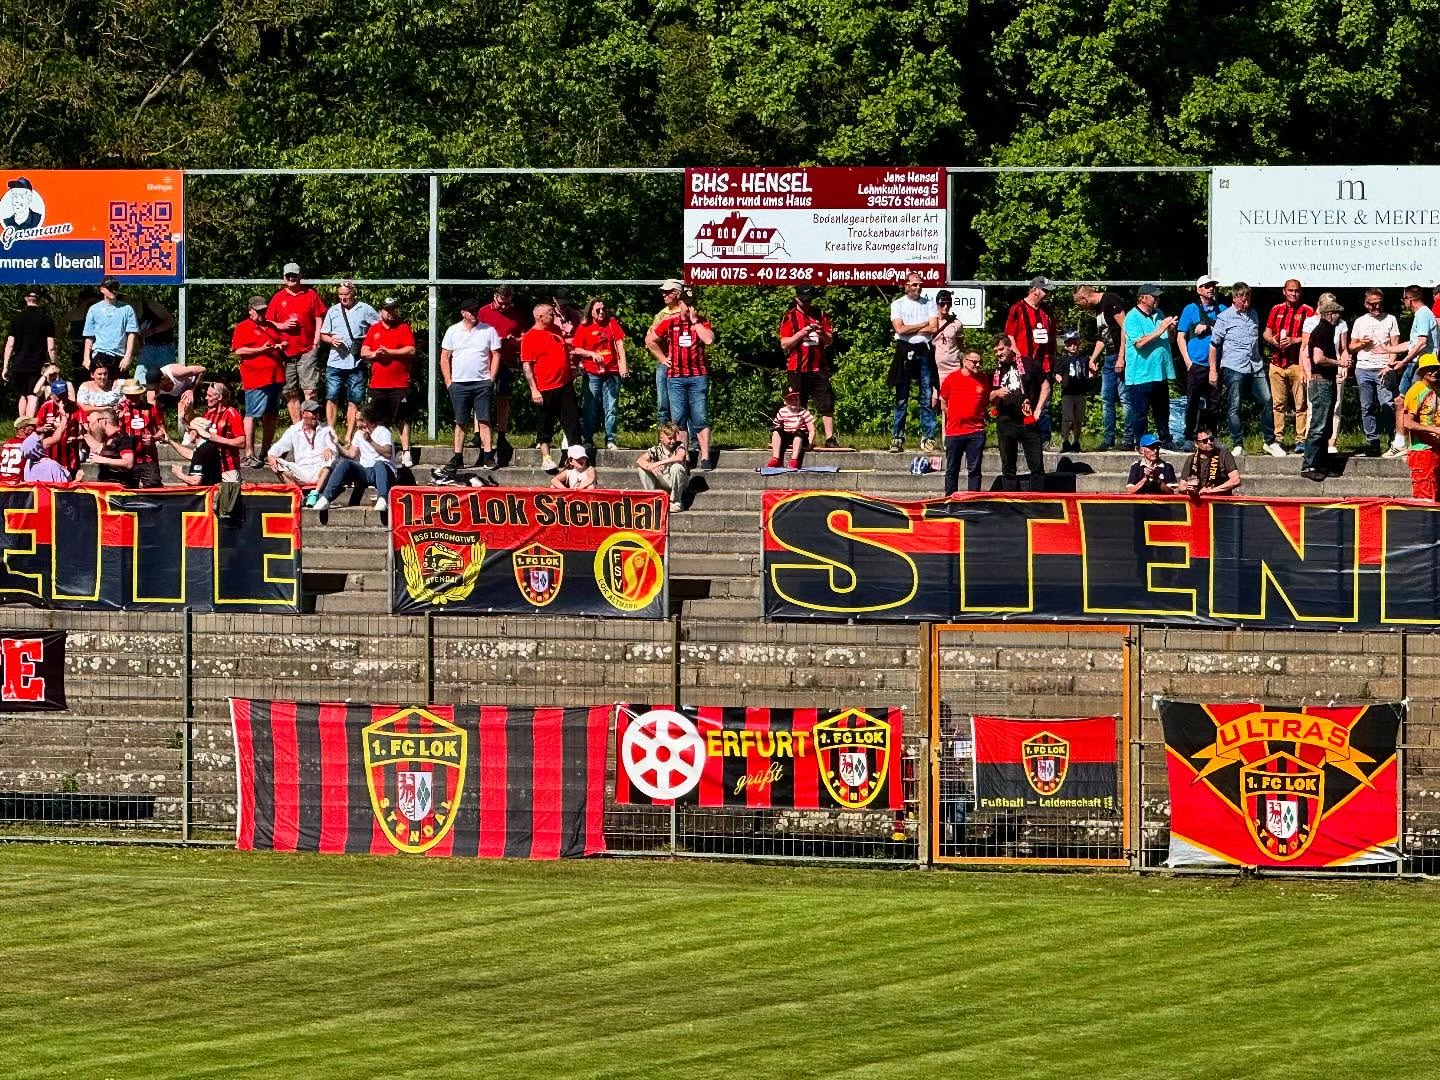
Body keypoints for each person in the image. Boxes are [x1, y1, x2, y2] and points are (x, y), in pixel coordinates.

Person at [1208, 283, 1284, 457]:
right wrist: (1213, 370)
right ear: (1234, 298)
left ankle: (1270, 441)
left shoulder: (1254, 314)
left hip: (1255, 365)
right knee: (1234, 405)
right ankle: (1237, 443)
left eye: (1248, 298)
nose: (1246, 301)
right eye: (1243, 298)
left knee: (1267, 400)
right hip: (1233, 366)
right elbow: (1213, 345)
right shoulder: (1224, 317)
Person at [439, 298, 502, 474]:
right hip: (459, 383)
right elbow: (444, 356)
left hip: (482, 382)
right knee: (461, 421)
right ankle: (457, 456)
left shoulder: (488, 330)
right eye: (471, 311)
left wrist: (491, 378)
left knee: (484, 419)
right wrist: (448, 381)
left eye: (476, 311)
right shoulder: (453, 330)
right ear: (463, 313)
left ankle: (488, 454)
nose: (474, 314)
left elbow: (496, 354)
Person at [652, 290, 714, 470]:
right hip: (676, 378)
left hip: (697, 376)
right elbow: (651, 340)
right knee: (678, 418)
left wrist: (695, 322)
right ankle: (683, 456)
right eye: (687, 304)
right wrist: (663, 359)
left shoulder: (701, 322)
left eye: (692, 304)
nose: (690, 308)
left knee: (700, 416)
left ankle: (705, 457)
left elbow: (709, 340)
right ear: (681, 304)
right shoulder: (670, 323)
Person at [1376, 285, 1440, 458]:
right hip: (1413, 363)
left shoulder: (1424, 314)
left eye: (1404, 299)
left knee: (1409, 402)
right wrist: (1389, 349)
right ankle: (1401, 442)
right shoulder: (1420, 315)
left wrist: (1402, 362)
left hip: (1421, 365)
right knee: (1400, 401)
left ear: (1409, 299)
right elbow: (1412, 343)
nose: (1403, 302)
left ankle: (1407, 443)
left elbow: (1421, 343)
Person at [519, 303, 581, 472]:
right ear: (540, 317)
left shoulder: (556, 330)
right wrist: (533, 389)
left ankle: (575, 459)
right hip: (545, 388)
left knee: (572, 422)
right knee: (545, 424)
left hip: (565, 385)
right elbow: (527, 366)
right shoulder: (530, 337)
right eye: (550, 313)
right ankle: (546, 458)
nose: (553, 316)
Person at [266, 262, 329, 424]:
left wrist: (316, 342)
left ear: (300, 276)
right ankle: (298, 427)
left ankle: (314, 424)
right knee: (290, 392)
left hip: (307, 349)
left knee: (310, 390)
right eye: (288, 276)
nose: (291, 278)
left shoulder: (310, 295)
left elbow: (318, 318)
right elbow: (268, 322)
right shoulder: (278, 297)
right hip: (285, 352)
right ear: (284, 277)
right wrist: (283, 326)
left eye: (294, 275)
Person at [318, 280, 379, 442]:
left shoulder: (365, 309)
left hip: (356, 362)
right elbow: (323, 334)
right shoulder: (333, 310)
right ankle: (331, 433)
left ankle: (349, 435)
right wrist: (331, 340)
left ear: (354, 294)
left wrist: (366, 341)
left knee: (354, 399)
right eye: (340, 295)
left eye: (347, 295)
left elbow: (379, 328)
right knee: (331, 397)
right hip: (335, 362)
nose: (343, 298)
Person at [360, 298, 417, 468]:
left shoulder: (403, 327)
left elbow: (411, 349)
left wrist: (390, 352)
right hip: (378, 383)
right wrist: (375, 354)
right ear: (380, 312)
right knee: (375, 418)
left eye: (393, 310)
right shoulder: (374, 329)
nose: (390, 313)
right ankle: (377, 450)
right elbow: (364, 350)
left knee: (402, 418)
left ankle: (406, 452)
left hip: (399, 383)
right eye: (387, 310)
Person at [231, 295, 287, 467]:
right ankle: (249, 453)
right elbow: (238, 350)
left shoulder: (270, 326)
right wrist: (261, 349)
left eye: (264, 310)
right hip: (256, 379)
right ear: (250, 310)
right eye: (258, 311)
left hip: (275, 377)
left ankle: (266, 451)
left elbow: (280, 341)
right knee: (252, 414)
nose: (262, 314)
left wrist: (281, 344)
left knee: (271, 415)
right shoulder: (243, 327)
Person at [779, 286, 837, 447]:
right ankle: (798, 436)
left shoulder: (820, 314)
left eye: (809, 300)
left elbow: (829, 340)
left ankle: (830, 438)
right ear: (796, 299)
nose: (806, 304)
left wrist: (821, 334)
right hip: (796, 368)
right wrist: (801, 333)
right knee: (797, 404)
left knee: (826, 403)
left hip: (818, 367)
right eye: (803, 301)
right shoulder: (789, 317)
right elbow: (784, 344)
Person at [1119, 284, 1175, 449]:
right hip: (1141, 374)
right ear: (1143, 298)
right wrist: (1161, 328)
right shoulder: (1132, 318)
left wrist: (1171, 329)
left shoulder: (1159, 314)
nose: (1157, 299)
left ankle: (1165, 440)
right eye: (1154, 296)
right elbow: (1140, 343)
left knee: (1162, 411)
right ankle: (1142, 444)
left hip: (1160, 372)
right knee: (1140, 413)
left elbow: (1169, 340)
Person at [1073, 284, 1130, 450]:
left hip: (1121, 356)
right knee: (1106, 398)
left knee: (1125, 398)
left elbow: (1125, 328)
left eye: (1079, 304)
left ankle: (1128, 439)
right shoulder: (1098, 310)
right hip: (1109, 357)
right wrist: (1093, 358)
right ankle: (1108, 439)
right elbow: (1102, 337)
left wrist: (1122, 357)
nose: (1081, 308)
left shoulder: (1110, 300)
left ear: (1084, 298)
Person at [312, 405, 396, 513]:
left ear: (365, 421)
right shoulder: (358, 434)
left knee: (379, 464)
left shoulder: (383, 432)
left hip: (383, 472)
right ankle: (326, 498)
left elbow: (387, 454)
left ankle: (382, 498)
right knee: (345, 463)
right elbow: (351, 454)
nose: (355, 423)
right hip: (365, 472)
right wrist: (336, 444)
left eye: (357, 420)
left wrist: (370, 441)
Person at [888, 273, 939, 453]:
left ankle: (928, 437)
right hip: (904, 350)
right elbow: (899, 329)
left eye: (920, 285)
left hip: (923, 351)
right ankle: (897, 437)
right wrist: (922, 325)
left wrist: (911, 328)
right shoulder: (898, 304)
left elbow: (934, 328)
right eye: (914, 285)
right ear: (906, 285)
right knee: (902, 396)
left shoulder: (929, 303)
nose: (918, 288)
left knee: (926, 395)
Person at [1263, 279, 1314, 451]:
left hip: (1297, 363)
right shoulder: (1276, 309)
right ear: (1284, 291)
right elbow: (1266, 332)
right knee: (1278, 403)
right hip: (1277, 363)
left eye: (1297, 291)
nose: (1294, 293)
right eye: (1290, 290)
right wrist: (1273, 340)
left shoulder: (1308, 311)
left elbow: (1312, 336)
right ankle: (1278, 438)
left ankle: (1301, 439)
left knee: (1301, 403)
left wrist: (1294, 340)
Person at [1005, 275, 1058, 442]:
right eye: (1044, 291)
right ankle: (1024, 436)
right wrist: (1017, 355)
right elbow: (1009, 334)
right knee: (1024, 399)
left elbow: (1052, 336)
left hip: (1045, 363)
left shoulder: (1047, 311)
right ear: (1034, 290)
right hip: (1025, 363)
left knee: (1045, 400)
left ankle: (1044, 438)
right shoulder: (1017, 308)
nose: (1047, 294)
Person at [991, 333, 1046, 491]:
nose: (999, 354)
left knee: (1036, 465)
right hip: (1006, 420)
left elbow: (1046, 385)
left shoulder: (1028, 363)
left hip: (1028, 420)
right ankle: (1011, 503)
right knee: (1008, 466)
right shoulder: (995, 369)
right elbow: (986, 397)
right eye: (996, 351)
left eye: (1001, 349)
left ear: (1010, 346)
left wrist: (1038, 410)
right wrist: (996, 394)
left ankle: (1038, 504)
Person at [1300, 296, 1348, 478]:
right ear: (1329, 314)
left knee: (1326, 425)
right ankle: (1309, 465)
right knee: (1318, 425)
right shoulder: (1322, 331)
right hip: (1321, 382)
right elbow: (1318, 358)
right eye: (1336, 313)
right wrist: (1339, 363)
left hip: (1326, 381)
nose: (1339, 317)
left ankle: (1321, 462)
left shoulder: (1327, 330)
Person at [1349, 289, 1400, 457]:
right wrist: (1362, 344)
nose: (1377, 307)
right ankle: (1373, 441)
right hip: (1363, 367)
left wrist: (1390, 365)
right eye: (1373, 304)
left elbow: (1395, 346)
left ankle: (1393, 440)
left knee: (1387, 404)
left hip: (1383, 367)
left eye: (1379, 303)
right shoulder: (1360, 321)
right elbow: (1351, 347)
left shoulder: (1391, 319)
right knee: (1367, 406)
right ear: (1366, 304)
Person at [1176, 275, 1226, 446]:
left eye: (1212, 285)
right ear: (1198, 290)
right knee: (1193, 402)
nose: (1210, 289)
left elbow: (1229, 332)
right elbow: (1180, 336)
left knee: (1214, 403)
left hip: (1216, 366)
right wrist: (1188, 362)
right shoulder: (1190, 309)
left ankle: (1211, 437)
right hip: (1196, 365)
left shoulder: (1223, 309)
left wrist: (1209, 327)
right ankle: (1189, 437)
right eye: (1206, 286)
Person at [575, 297, 628, 451]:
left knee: (611, 407)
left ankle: (610, 438)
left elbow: (619, 344)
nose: (601, 312)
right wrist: (591, 354)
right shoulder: (584, 326)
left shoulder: (612, 323)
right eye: (597, 310)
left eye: (603, 309)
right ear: (590, 311)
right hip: (592, 372)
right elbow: (577, 349)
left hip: (611, 372)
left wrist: (623, 365)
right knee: (591, 406)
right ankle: (588, 438)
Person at [478, 285, 525, 453]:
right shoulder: (483, 312)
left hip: (507, 360)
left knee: (503, 397)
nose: (504, 307)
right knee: (481, 396)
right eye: (501, 303)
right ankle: (478, 435)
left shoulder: (516, 314)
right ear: (495, 297)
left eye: (508, 304)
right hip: (486, 361)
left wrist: (515, 340)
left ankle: (502, 435)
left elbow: (524, 337)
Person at [939, 347, 989, 495]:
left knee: (975, 470)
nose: (978, 365)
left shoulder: (983, 379)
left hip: (976, 431)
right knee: (952, 469)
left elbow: (986, 400)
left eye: (980, 362)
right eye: (974, 362)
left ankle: (973, 502)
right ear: (964, 361)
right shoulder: (952, 379)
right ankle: (949, 501)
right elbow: (943, 403)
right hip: (955, 431)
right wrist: (955, 416)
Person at [268, 400, 338, 506]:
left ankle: (315, 493)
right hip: (301, 471)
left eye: (317, 412)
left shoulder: (325, 429)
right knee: (276, 463)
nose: (316, 415)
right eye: (313, 412)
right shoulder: (293, 430)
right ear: (303, 413)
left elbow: (334, 449)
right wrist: (272, 457)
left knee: (331, 458)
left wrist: (329, 449)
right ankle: (298, 495)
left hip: (319, 470)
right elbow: (275, 450)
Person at [4, 290, 54, 418]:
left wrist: (5, 366)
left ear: (26, 299)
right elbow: (51, 345)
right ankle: (29, 426)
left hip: (19, 362)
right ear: (39, 300)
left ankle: (21, 427)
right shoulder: (46, 319)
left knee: (22, 395)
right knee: (33, 394)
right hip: (37, 363)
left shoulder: (16, 319)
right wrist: (53, 363)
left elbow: (10, 343)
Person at [645, 279, 685, 427]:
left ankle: (690, 441)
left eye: (667, 292)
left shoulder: (686, 311)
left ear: (677, 293)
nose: (664, 295)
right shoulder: (661, 315)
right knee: (663, 404)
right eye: (663, 292)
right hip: (665, 363)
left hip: (685, 364)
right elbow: (649, 338)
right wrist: (662, 359)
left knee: (685, 404)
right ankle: (663, 440)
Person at [81, 278, 138, 374]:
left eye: (116, 288)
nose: (114, 291)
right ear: (102, 289)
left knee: (120, 386)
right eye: (110, 288)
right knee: (100, 385)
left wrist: (128, 357)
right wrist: (86, 358)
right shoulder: (93, 309)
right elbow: (89, 336)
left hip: (120, 357)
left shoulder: (127, 309)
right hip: (99, 354)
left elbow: (131, 334)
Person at [1403, 355, 1440, 500]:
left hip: (1436, 449)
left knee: (1436, 494)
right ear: (1421, 372)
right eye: (1430, 369)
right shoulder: (1416, 390)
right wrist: (1435, 430)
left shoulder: (1436, 390)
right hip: (1422, 450)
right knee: (1423, 494)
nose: (1434, 372)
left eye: (1436, 368)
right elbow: (1407, 423)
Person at [117, 379, 165, 488]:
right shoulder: (118, 409)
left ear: (141, 394)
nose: (133, 398)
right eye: (130, 395)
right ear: (125, 394)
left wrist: (153, 438)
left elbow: (162, 430)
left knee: (154, 489)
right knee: (127, 492)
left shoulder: (151, 408)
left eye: (136, 395)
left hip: (148, 457)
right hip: (126, 458)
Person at [35, 379, 85, 479]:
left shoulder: (75, 407)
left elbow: (86, 432)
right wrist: (43, 428)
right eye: (59, 396)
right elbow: (36, 429)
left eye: (64, 395)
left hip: (71, 457)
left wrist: (77, 438)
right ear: (52, 394)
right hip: (50, 457)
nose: (62, 399)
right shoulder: (46, 406)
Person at [635, 422, 688, 511]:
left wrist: (658, 463)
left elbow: (679, 457)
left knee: (677, 467)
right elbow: (640, 460)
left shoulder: (679, 446)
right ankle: (652, 500)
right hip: (663, 479)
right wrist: (650, 466)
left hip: (678, 480)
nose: (673, 441)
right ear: (661, 438)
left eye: (674, 438)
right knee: (642, 469)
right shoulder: (656, 449)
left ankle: (675, 502)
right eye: (670, 438)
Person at [1177, 426, 1241, 496]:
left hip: (1219, 501)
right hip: (1199, 500)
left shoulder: (1224, 454)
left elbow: (1236, 480)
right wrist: (1189, 488)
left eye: (1211, 439)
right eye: (1205, 441)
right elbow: (1181, 486)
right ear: (1196, 444)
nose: (1209, 442)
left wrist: (1212, 491)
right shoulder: (1191, 459)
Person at [149, 361, 207, 437]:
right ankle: (163, 434)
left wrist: (192, 389)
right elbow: (151, 403)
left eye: (157, 386)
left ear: (163, 379)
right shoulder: (153, 386)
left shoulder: (175, 372)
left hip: (191, 387)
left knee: (184, 412)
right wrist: (159, 425)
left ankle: (195, 434)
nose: (155, 389)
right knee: (155, 408)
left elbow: (202, 369)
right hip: (175, 394)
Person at [201, 382, 245, 482]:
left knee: (230, 496)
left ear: (219, 397)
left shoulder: (232, 414)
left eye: (209, 395)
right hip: (210, 467)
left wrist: (218, 439)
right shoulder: (208, 414)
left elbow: (242, 442)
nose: (206, 398)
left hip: (228, 469)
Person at [1056, 330, 1090, 454]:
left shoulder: (1085, 358)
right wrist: (1061, 381)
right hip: (1068, 393)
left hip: (1080, 392)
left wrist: (1092, 374)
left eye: (1075, 343)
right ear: (1066, 345)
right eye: (1070, 344)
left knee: (1078, 419)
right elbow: (1057, 373)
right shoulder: (1062, 359)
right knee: (1067, 418)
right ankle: (1065, 441)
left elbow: (1088, 372)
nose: (1073, 346)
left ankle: (1076, 441)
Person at [131, 296, 176, 385]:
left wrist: (153, 331)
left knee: (165, 379)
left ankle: (160, 397)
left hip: (165, 347)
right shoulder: (127, 314)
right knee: (139, 379)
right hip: (147, 348)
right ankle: (141, 397)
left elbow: (170, 321)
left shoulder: (149, 305)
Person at [766, 388, 815, 469]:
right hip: (787, 435)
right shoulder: (782, 411)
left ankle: (794, 460)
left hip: (800, 437)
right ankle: (776, 458)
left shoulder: (804, 412)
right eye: (790, 400)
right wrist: (773, 442)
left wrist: (810, 443)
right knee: (776, 431)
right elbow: (776, 425)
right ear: (785, 401)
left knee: (798, 433)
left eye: (796, 399)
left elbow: (812, 429)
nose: (794, 402)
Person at [83, 409, 135, 485]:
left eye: (97, 422)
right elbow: (96, 446)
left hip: (120, 486)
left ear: (104, 422)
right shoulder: (108, 439)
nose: (95, 426)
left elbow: (129, 463)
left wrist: (102, 459)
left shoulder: (123, 438)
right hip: (106, 484)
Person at [170, 416, 225, 486]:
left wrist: (179, 474)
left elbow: (195, 481)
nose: (187, 433)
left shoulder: (201, 451)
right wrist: (170, 441)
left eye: (189, 431)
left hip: (206, 494)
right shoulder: (211, 447)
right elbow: (189, 454)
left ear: (195, 433)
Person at [0, 416, 36, 482]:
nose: (34, 428)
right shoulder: (28, 445)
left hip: (2, 484)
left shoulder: (5, 445)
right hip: (18, 486)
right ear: (24, 429)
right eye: (32, 426)